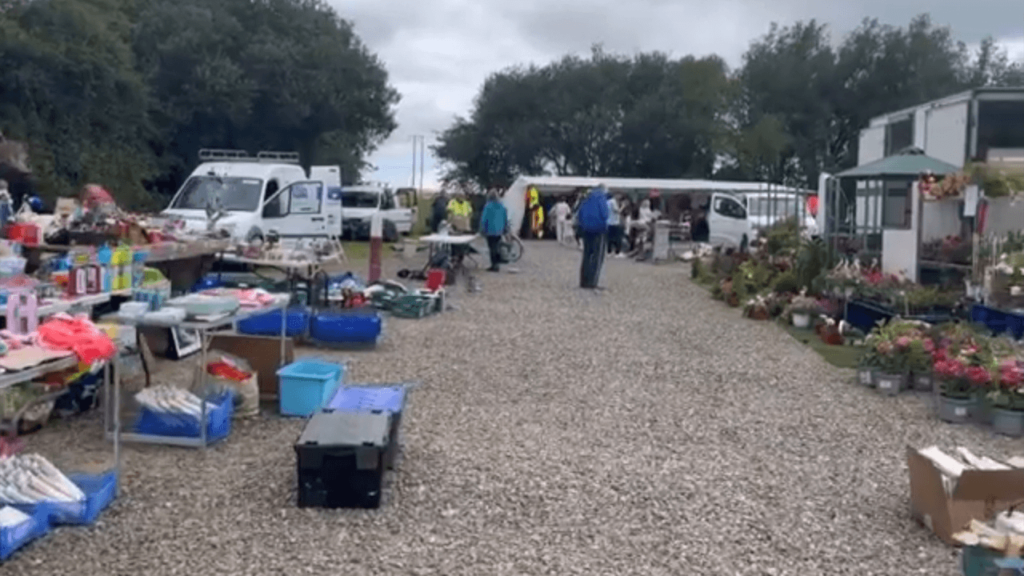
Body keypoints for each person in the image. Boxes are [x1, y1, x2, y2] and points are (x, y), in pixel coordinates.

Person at [577, 184, 609, 289]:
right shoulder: (601, 197)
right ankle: (592, 282)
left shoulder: (586, 197)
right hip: (599, 229)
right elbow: (605, 214)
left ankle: (583, 281)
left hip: (586, 229)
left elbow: (579, 214)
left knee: (586, 255)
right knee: (597, 256)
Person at [479, 191, 508, 272]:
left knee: (492, 248)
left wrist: (482, 229)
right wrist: (505, 228)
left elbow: (484, 219)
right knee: (497, 246)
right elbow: (505, 217)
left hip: (490, 230)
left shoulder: (488, 206)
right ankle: (497, 264)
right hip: (499, 230)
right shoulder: (502, 206)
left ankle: (494, 265)